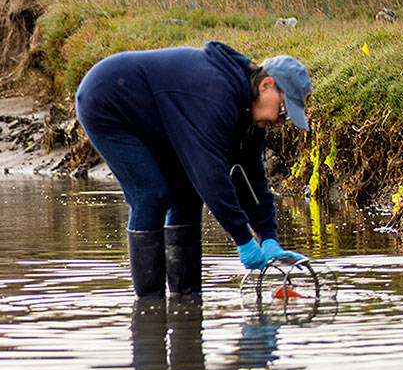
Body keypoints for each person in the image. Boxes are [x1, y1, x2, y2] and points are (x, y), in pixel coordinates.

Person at [74, 42, 313, 299]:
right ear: (266, 85)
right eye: (283, 107)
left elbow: (251, 178)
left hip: (160, 118)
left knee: (186, 196)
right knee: (151, 195)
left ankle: (187, 298)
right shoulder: (216, 95)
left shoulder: (249, 114)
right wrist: (244, 239)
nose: (281, 119)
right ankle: (149, 307)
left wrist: (268, 236)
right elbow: (210, 174)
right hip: (109, 100)